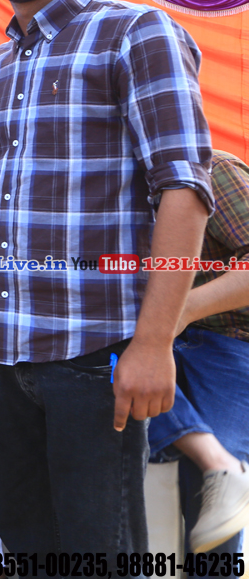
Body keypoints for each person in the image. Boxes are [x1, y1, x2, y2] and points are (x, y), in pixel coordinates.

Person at [0, 0, 212, 552]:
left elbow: (185, 189)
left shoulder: (135, 33)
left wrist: (154, 343)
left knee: (99, 550)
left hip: (96, 359)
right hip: (7, 359)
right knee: (28, 545)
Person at [147, 149, 249, 554]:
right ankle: (216, 462)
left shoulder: (215, 170)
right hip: (148, 340)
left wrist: (181, 309)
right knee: (98, 362)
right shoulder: (100, 190)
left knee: (218, 507)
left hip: (232, 339)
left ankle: (219, 466)